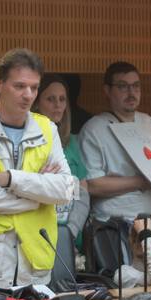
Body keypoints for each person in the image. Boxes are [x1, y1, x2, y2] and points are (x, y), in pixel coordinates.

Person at [0, 49, 76, 291]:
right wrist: (38, 198)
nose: (28, 95)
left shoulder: (47, 128)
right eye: (20, 86)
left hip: (35, 265)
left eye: (34, 87)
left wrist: (9, 179)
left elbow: (65, 190)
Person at [79, 61, 151, 223]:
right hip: (117, 221)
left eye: (136, 86)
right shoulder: (94, 129)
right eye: (123, 87)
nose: (131, 93)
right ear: (107, 91)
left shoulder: (150, 124)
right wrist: (140, 182)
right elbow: (93, 184)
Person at [33, 72, 91, 240]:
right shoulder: (27, 141)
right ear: (36, 103)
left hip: (70, 233)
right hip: (36, 232)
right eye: (50, 99)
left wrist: (70, 231)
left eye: (62, 99)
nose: (58, 105)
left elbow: (83, 193)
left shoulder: (72, 141)